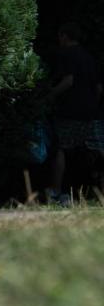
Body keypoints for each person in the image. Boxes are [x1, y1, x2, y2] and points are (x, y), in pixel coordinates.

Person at [47, 22, 103, 204]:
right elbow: (99, 88)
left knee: (63, 149)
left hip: (69, 111)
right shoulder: (89, 57)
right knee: (97, 151)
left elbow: (68, 81)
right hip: (92, 112)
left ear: (64, 36)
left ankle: (56, 192)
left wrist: (49, 95)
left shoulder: (64, 54)